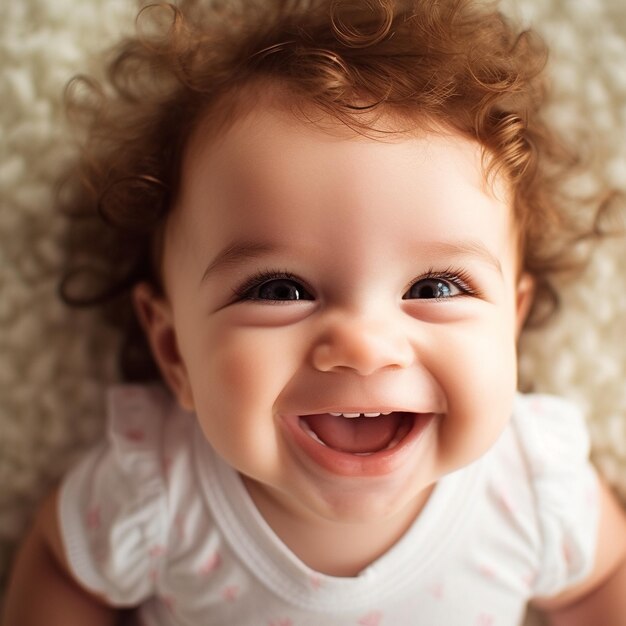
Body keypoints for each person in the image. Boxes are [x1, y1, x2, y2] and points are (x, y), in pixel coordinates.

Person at [4, 0, 626, 624]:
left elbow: (604, 581)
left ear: (510, 327)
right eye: (279, 291)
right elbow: (66, 569)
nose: (364, 344)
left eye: (435, 288)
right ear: (174, 351)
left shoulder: (533, 487)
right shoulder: (157, 494)